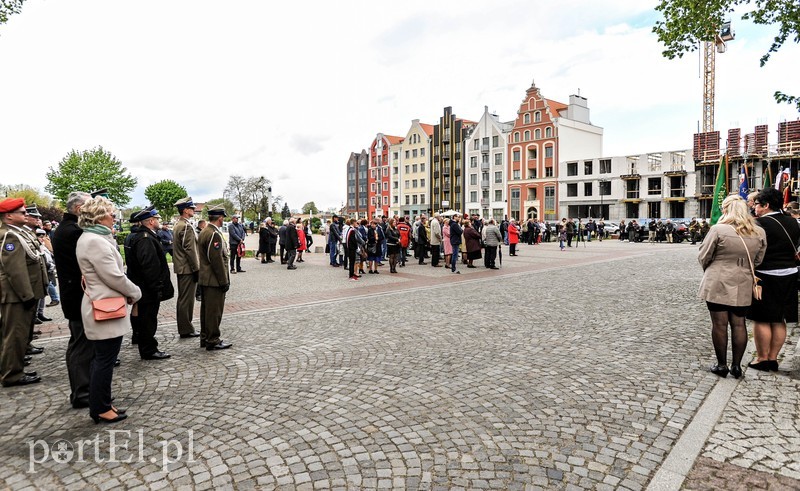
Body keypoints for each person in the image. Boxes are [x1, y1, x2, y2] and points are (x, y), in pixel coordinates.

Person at [75, 196, 140, 423]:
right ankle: (100, 407)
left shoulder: (95, 237)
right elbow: (113, 276)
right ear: (99, 215)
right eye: (111, 213)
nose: (114, 217)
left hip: (104, 304)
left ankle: (102, 403)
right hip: (105, 307)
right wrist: (135, 291)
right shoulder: (94, 240)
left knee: (103, 359)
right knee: (104, 360)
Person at [698, 195, 767, 379]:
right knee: (739, 324)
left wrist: (712, 268)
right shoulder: (758, 231)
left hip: (718, 279)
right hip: (743, 281)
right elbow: (758, 260)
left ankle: (722, 365)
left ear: (726, 210)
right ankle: (736, 366)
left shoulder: (718, 229)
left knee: (719, 324)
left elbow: (704, 256)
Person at [747, 187, 800, 371]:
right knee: (779, 319)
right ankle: (773, 358)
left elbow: (753, 250)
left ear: (766, 205)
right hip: (790, 274)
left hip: (766, 274)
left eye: (757, 205)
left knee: (762, 318)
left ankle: (762, 358)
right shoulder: (795, 223)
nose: (754, 209)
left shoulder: (759, 224)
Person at [53, 191, 94, 405]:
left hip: (74, 294)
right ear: (79, 209)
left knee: (79, 342)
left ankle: (83, 389)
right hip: (78, 296)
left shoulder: (68, 228)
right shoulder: (73, 231)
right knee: (81, 344)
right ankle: (82, 392)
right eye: (89, 205)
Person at [0, 198, 46, 387]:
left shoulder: (18, 232)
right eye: (22, 212)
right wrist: (27, 296)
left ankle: (14, 367)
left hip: (23, 293)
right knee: (15, 335)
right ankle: (12, 374)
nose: (26, 215)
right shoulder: (9, 236)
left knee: (20, 334)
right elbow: (15, 270)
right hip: (16, 295)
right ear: (9, 216)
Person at [126, 206, 173, 360]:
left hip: (144, 287)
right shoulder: (145, 238)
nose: (159, 221)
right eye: (157, 219)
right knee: (147, 319)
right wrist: (156, 288)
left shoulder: (144, 236)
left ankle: (147, 346)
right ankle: (148, 349)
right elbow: (150, 267)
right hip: (147, 289)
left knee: (146, 318)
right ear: (151, 221)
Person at [197, 205, 233, 351]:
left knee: (206, 310)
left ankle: (205, 337)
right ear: (220, 218)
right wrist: (223, 280)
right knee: (214, 311)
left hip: (206, 278)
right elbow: (216, 260)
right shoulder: (214, 234)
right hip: (214, 279)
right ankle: (213, 339)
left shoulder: (205, 231)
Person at [171, 197, 200, 339]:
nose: (194, 210)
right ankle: (186, 328)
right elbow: (190, 250)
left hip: (182, 267)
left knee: (184, 298)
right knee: (186, 300)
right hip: (187, 268)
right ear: (185, 210)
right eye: (192, 208)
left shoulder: (179, 224)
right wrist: (196, 269)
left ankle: (185, 327)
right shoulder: (186, 226)